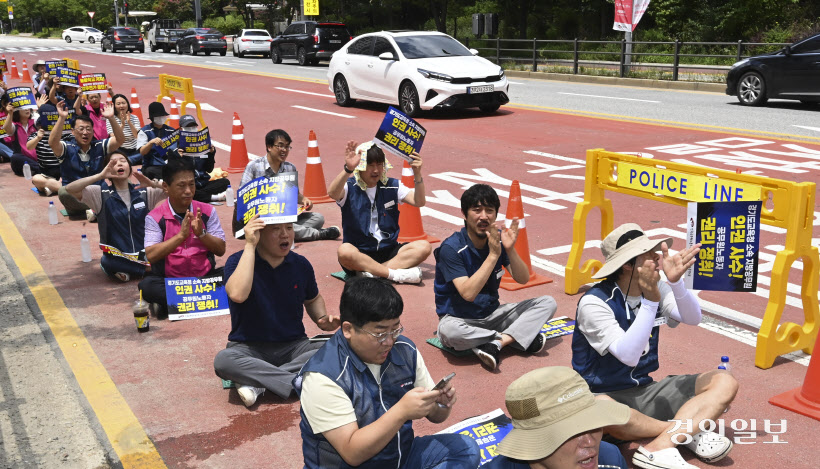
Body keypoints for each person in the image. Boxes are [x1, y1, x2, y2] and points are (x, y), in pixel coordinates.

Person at [571, 223, 738, 469]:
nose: (657, 257)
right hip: (600, 397)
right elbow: (628, 356)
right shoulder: (594, 303)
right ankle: (685, 430)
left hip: (644, 390)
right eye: (647, 253)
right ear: (628, 264)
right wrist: (650, 302)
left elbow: (693, 318)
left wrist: (676, 283)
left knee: (724, 381)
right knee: (606, 409)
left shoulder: (657, 286)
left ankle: (661, 445)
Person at [294, 277, 480, 469]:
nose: (389, 341)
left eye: (395, 329)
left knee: (466, 449)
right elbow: (352, 453)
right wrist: (401, 411)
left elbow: (436, 416)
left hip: (400, 459)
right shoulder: (323, 376)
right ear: (348, 329)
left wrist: (441, 404)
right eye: (380, 333)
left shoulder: (405, 350)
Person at [213, 215, 340, 408]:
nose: (285, 234)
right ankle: (294, 380)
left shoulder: (301, 264)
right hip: (248, 349)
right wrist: (249, 246)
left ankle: (259, 383)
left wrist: (322, 319)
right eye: (276, 229)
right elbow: (238, 294)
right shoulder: (237, 261)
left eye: (289, 227)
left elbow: (313, 298)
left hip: (294, 347)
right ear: (258, 234)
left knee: (341, 344)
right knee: (224, 361)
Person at [434, 184, 557, 371]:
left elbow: (523, 279)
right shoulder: (451, 248)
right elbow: (468, 293)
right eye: (477, 210)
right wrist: (493, 256)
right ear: (464, 214)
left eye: (489, 211)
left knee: (548, 303)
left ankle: (496, 343)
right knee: (450, 333)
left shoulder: (498, 239)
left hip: (493, 314)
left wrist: (510, 249)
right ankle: (515, 337)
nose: (484, 216)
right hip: (459, 319)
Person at [327, 141, 431, 284]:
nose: (375, 170)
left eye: (379, 164)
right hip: (360, 252)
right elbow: (332, 193)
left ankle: (375, 274)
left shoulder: (392, 185)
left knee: (424, 247)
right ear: (360, 166)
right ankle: (394, 275)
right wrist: (348, 169)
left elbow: (419, 201)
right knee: (344, 252)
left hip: (389, 250)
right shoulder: (350, 187)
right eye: (370, 165)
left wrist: (417, 174)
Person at [486, 367, 630, 469]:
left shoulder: (611, 460)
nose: (590, 441)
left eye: (593, 424)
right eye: (571, 432)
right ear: (534, 442)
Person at [138, 157, 227, 318]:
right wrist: (180, 236)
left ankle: (170, 306)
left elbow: (221, 250)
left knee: (236, 269)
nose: (188, 191)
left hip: (204, 280)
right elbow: (150, 255)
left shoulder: (207, 211)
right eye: (181, 185)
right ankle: (209, 300)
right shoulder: (155, 217)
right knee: (146, 286)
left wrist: (201, 234)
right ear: (166, 187)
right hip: (172, 283)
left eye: (191, 184)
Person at [66, 151, 166, 282]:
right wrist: (100, 176)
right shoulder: (100, 194)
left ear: (130, 168)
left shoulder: (144, 192)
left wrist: (153, 184)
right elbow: (70, 189)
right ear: (108, 169)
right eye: (114, 162)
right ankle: (147, 270)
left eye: (123, 161)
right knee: (107, 261)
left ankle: (132, 270)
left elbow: (175, 190)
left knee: (169, 254)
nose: (119, 163)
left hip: (145, 253)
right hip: (119, 255)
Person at [239, 128, 339, 241]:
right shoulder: (254, 166)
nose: (284, 150)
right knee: (283, 228)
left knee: (318, 218)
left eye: (287, 147)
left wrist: (304, 200)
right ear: (269, 147)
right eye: (280, 146)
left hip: (284, 216)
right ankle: (319, 234)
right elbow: (243, 196)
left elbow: (294, 194)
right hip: (263, 219)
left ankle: (288, 233)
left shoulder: (289, 167)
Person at [48, 100, 124, 217]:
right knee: (63, 192)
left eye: (89, 129)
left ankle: (97, 209)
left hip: (97, 193)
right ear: (73, 132)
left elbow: (119, 140)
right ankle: (100, 209)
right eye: (81, 129)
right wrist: (62, 118)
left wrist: (111, 118)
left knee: (123, 181)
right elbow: (53, 143)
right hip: (76, 196)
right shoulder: (66, 147)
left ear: (93, 132)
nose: (85, 133)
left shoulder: (99, 146)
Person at [171, 114, 229, 203]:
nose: (191, 129)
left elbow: (209, 169)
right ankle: (214, 197)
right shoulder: (176, 146)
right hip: (187, 184)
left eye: (193, 126)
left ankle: (199, 196)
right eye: (188, 127)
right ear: (181, 129)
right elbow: (172, 171)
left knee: (225, 182)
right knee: (183, 191)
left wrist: (211, 154)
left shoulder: (204, 143)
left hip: (203, 183)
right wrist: (177, 157)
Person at [136, 102, 176, 180]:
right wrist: (151, 142)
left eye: (162, 115)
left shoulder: (171, 131)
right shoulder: (144, 131)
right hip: (152, 166)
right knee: (153, 172)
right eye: (158, 116)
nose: (161, 118)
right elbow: (142, 152)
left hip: (170, 165)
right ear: (152, 118)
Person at [2, 98, 39, 176]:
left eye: (28, 107)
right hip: (22, 160)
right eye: (24, 108)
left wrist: (41, 108)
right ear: (17, 110)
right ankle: (39, 169)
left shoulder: (35, 122)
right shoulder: (14, 126)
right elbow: (6, 128)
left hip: (38, 158)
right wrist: (10, 113)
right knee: (15, 158)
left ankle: (37, 168)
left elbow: (46, 124)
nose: (27, 110)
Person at [107, 94, 142, 162]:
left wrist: (129, 122)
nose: (121, 106)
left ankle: (128, 160)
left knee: (146, 151)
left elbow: (137, 136)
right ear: (114, 106)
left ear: (127, 104)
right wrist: (122, 125)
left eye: (123, 103)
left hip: (135, 149)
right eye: (118, 104)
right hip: (120, 149)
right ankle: (128, 161)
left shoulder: (134, 118)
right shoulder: (111, 119)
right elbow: (114, 137)